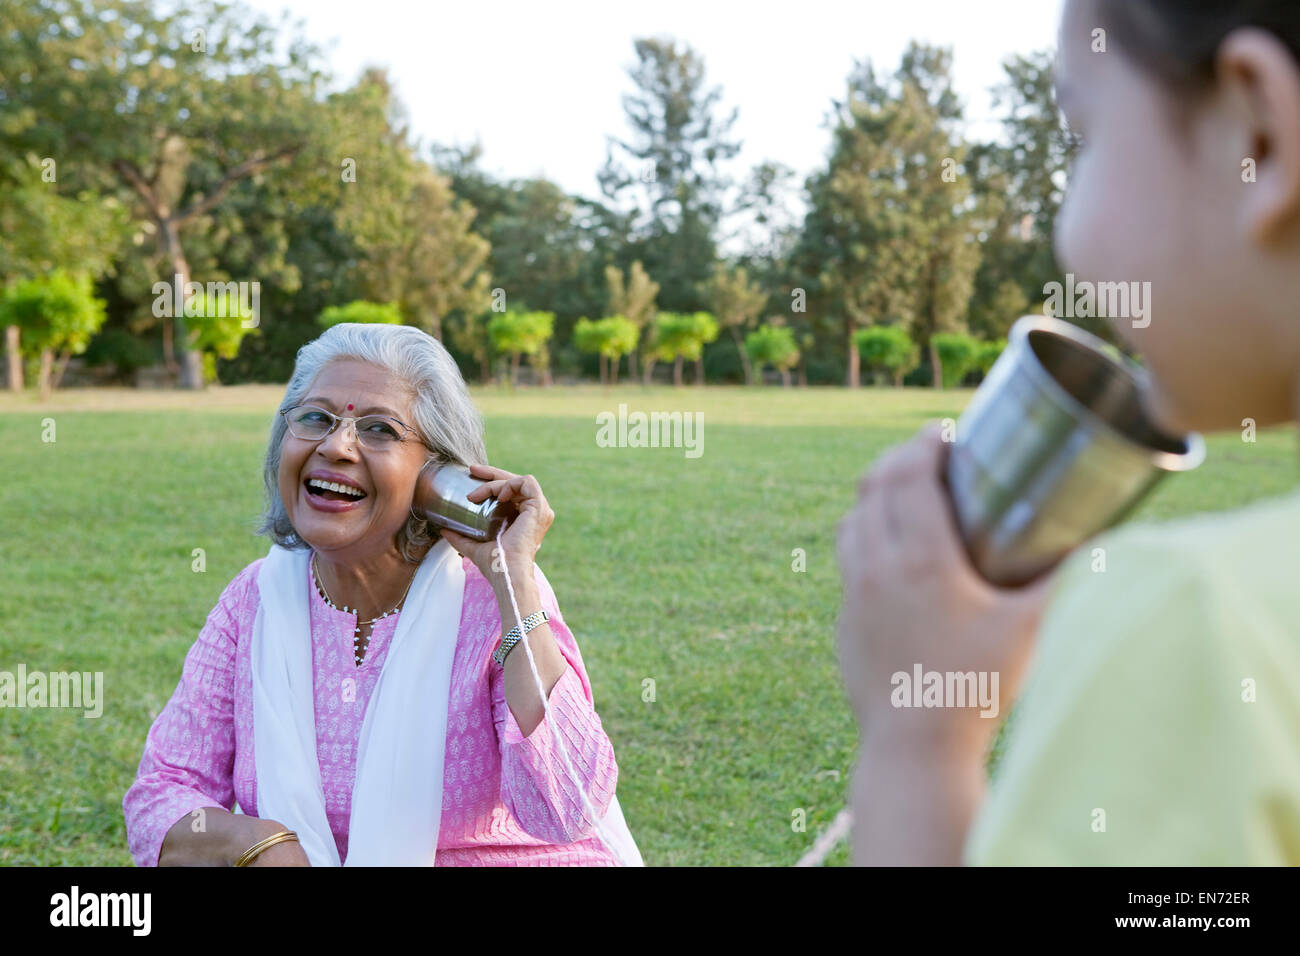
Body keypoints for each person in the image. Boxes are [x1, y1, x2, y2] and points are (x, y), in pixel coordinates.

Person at [835, 0, 1300, 865]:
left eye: (1082, 137)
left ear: (1259, 136)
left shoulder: (1198, 620)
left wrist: (917, 747)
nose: (1064, 233)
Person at [123, 322, 641, 866]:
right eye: (316, 419)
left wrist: (513, 582)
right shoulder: (255, 601)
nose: (336, 446)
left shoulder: (496, 600)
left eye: (379, 430)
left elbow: (567, 809)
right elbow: (161, 793)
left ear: (438, 474)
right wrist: (256, 846)